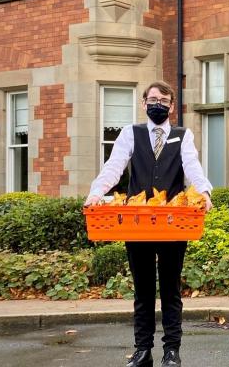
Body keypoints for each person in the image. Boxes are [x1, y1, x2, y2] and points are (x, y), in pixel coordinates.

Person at [85, 81, 213, 367]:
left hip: (172, 224)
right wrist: (96, 193)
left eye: (164, 100)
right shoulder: (131, 133)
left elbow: (192, 167)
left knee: (170, 290)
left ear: (171, 106)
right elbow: (114, 166)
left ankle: (171, 352)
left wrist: (204, 191)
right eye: (153, 99)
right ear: (144, 104)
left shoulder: (183, 135)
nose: (158, 104)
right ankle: (142, 351)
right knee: (143, 291)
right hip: (137, 223)